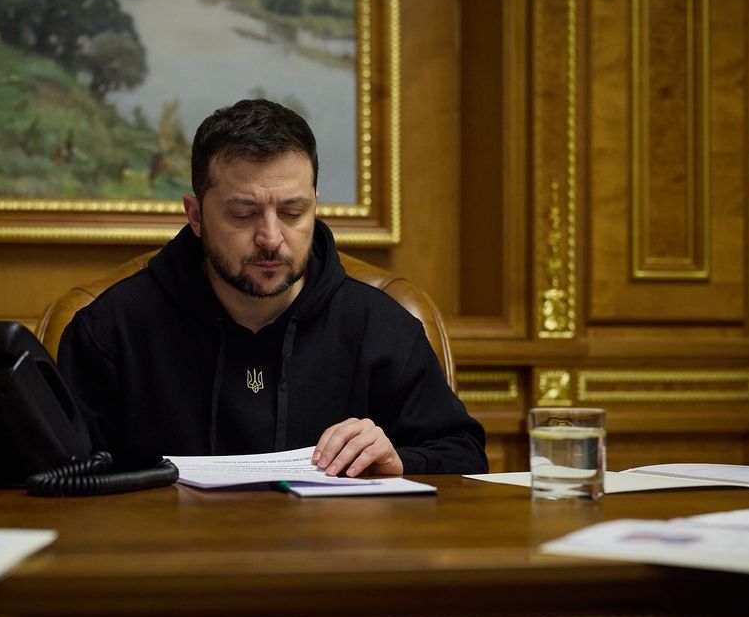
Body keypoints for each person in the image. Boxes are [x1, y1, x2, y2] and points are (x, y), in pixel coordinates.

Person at [58, 99, 487, 476]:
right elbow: (59, 473)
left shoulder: (380, 327)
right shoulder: (112, 330)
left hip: (333, 562)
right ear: (195, 215)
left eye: (292, 212)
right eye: (243, 213)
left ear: (315, 205)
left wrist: (399, 462)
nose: (270, 238)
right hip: (170, 562)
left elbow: (463, 454)